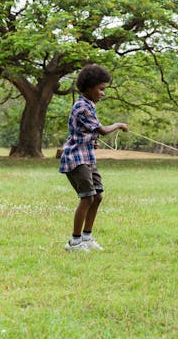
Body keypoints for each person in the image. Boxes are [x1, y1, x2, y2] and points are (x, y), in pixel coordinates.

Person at [59, 64, 128, 252]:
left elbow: (86, 132)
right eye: (100, 89)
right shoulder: (82, 107)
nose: (103, 93)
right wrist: (118, 124)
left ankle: (87, 238)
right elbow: (103, 130)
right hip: (76, 158)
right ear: (89, 87)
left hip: (87, 156)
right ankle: (74, 242)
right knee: (87, 198)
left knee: (97, 196)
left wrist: (91, 141)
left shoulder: (90, 105)